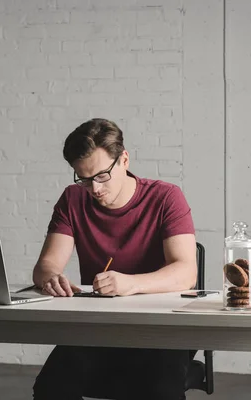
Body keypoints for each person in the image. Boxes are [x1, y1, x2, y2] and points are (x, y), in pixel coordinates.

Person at [32, 118, 198, 400]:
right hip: (100, 327)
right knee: (51, 386)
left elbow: (186, 272)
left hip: (163, 329)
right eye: (83, 179)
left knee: (160, 390)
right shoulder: (73, 200)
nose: (94, 189)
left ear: (124, 159)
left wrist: (131, 283)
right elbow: (46, 266)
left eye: (101, 176)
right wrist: (52, 279)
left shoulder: (166, 197)